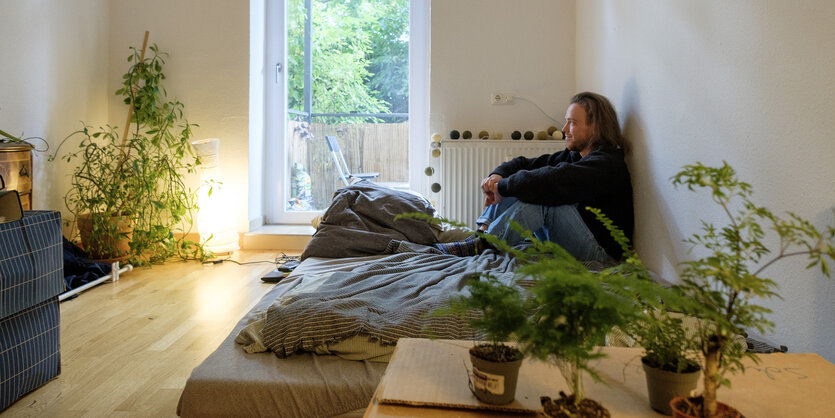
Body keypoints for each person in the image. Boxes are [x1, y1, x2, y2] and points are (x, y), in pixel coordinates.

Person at [435, 92, 633, 263]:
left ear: (595, 127)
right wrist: (496, 178)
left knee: (542, 198)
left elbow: (549, 180)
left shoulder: (606, 164)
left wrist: (502, 187)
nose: (564, 129)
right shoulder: (575, 156)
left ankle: (483, 244)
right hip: (578, 238)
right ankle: (482, 233)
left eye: (571, 123)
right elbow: (522, 164)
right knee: (521, 183)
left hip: (601, 253)